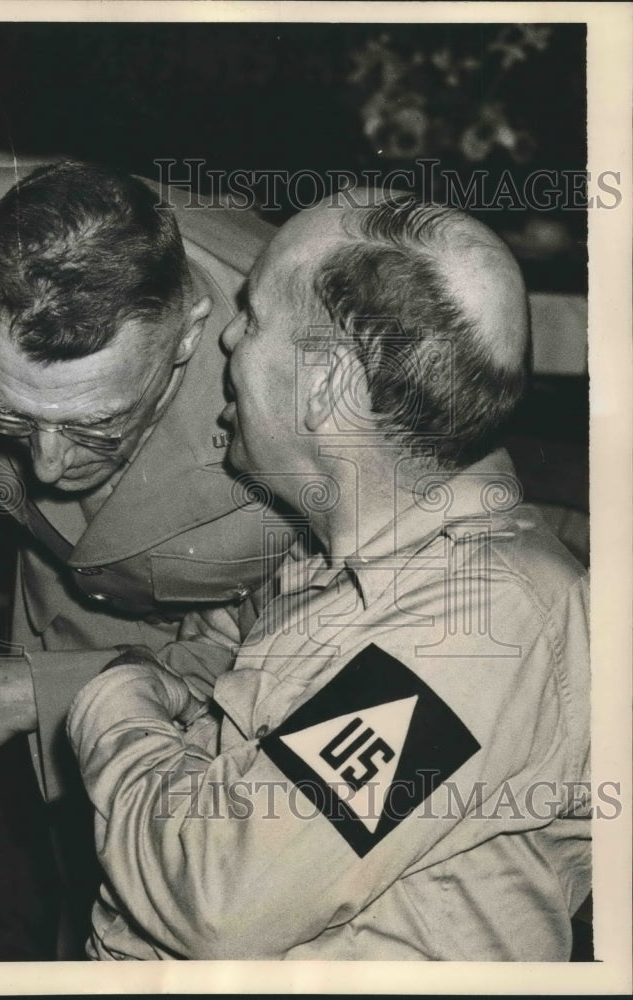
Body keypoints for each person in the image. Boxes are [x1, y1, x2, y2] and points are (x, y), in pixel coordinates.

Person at [67, 193, 591, 960]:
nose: (229, 339)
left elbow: (219, 896)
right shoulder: (341, 564)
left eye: (252, 315)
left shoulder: (475, 626)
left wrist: (110, 702)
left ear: (326, 381)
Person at [0, 160, 293, 799]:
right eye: (7, 411)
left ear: (189, 332)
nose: (47, 466)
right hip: (41, 611)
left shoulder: (308, 408)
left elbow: (291, 669)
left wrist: (37, 692)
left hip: (197, 715)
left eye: (99, 424)